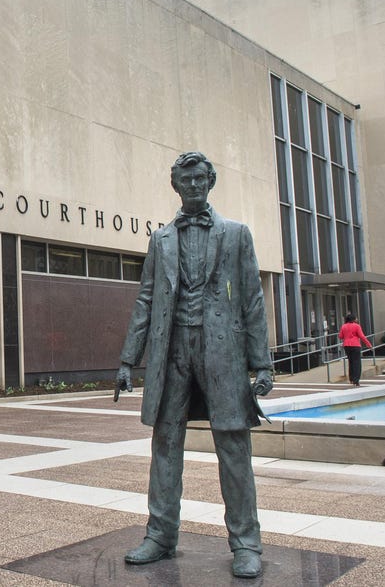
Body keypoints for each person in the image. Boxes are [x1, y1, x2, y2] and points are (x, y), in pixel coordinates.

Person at [116, 151, 274, 579]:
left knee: (234, 447)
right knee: (165, 446)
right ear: (176, 185)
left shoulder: (237, 234)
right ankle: (160, 536)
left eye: (201, 178)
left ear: (211, 180)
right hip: (172, 352)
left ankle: (245, 543)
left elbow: (252, 300)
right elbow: (147, 299)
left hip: (222, 351)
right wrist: (129, 358)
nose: (194, 186)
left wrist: (262, 362)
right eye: (186, 180)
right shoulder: (161, 239)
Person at [339, 313, 373, 386]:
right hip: (355, 345)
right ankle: (356, 380)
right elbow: (362, 336)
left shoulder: (343, 326)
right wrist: (368, 344)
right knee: (357, 363)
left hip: (346, 345)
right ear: (353, 319)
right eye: (356, 318)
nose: (357, 319)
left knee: (350, 362)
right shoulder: (357, 326)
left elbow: (340, 336)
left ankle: (351, 379)